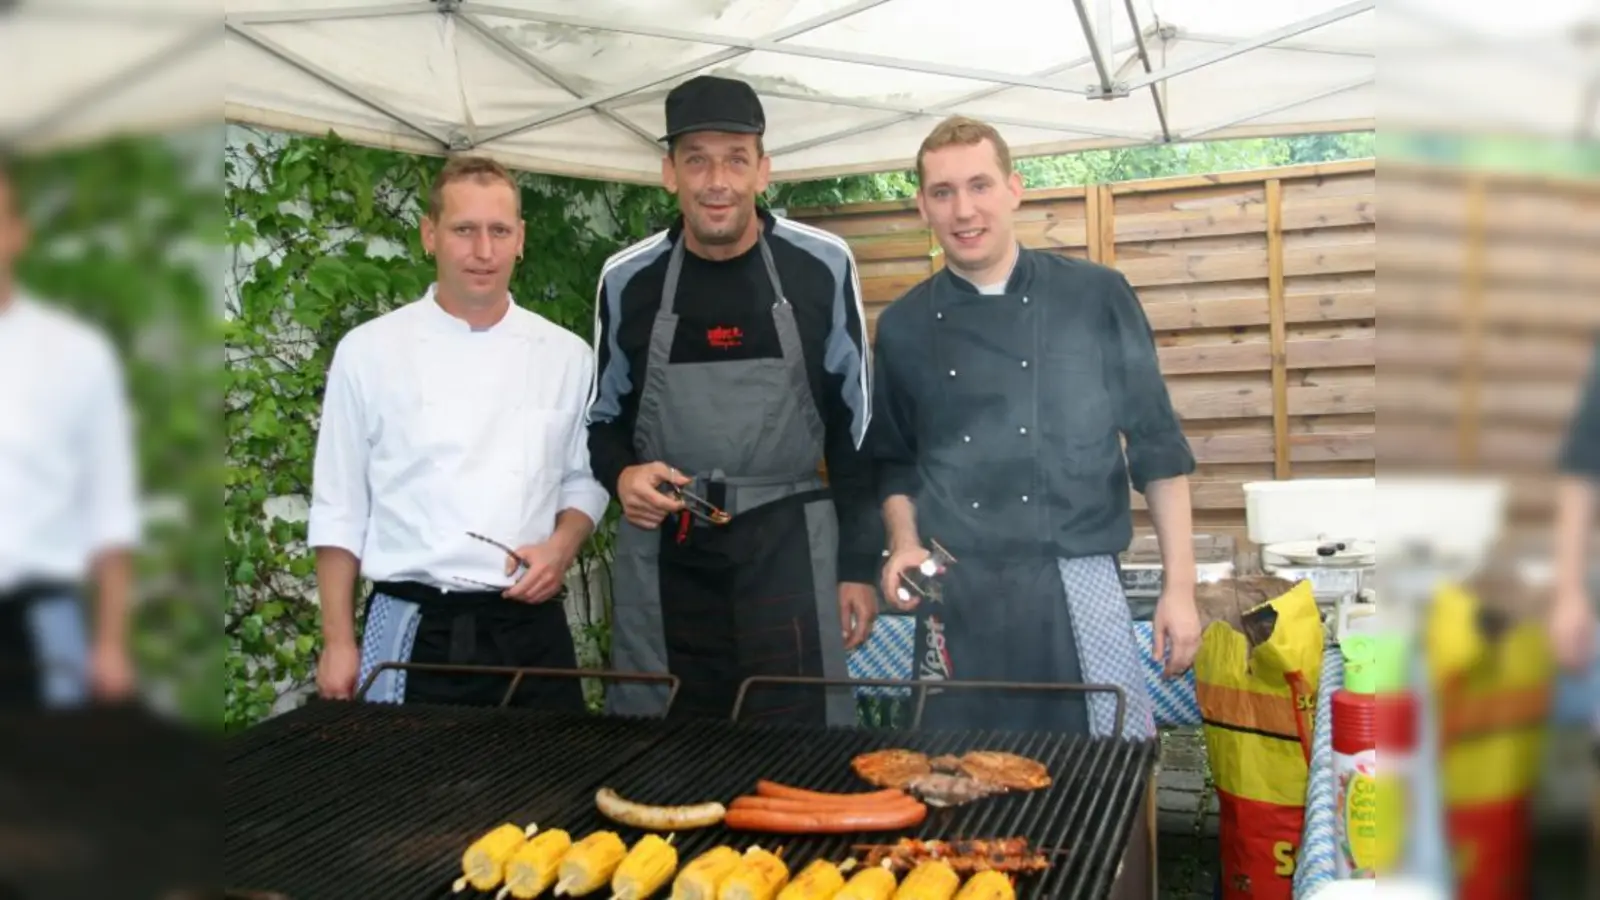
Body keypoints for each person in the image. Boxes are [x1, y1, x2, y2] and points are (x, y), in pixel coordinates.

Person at [869, 116, 1201, 738]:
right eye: (942, 193)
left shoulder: (1095, 296)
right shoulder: (904, 326)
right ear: (922, 207)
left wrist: (1178, 589)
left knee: (1110, 774)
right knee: (955, 786)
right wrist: (903, 541)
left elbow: (1158, 450)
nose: (963, 210)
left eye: (979, 185)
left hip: (1078, 578)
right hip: (956, 595)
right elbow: (895, 464)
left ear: (1015, 189)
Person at [587, 75, 880, 726]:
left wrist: (858, 566)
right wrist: (622, 474)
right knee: (657, 752)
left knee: (803, 755)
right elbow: (602, 422)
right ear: (669, 173)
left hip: (790, 554)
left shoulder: (821, 265)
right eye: (696, 160)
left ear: (763, 171)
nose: (716, 180)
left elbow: (855, 431)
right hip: (666, 551)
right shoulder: (627, 280)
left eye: (735, 159)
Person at [309, 155, 609, 711]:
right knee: (404, 794)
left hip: (530, 627)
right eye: (464, 230)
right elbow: (339, 508)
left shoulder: (567, 356)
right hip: (412, 628)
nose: (483, 251)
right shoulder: (369, 352)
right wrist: (337, 640)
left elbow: (584, 480)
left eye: (499, 231)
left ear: (521, 239)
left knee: (551, 790)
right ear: (430, 235)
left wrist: (561, 549)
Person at [0, 154, 140, 710]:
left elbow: (109, 509)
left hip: (40, 626)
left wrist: (109, 645)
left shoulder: (74, 354)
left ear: (18, 231)